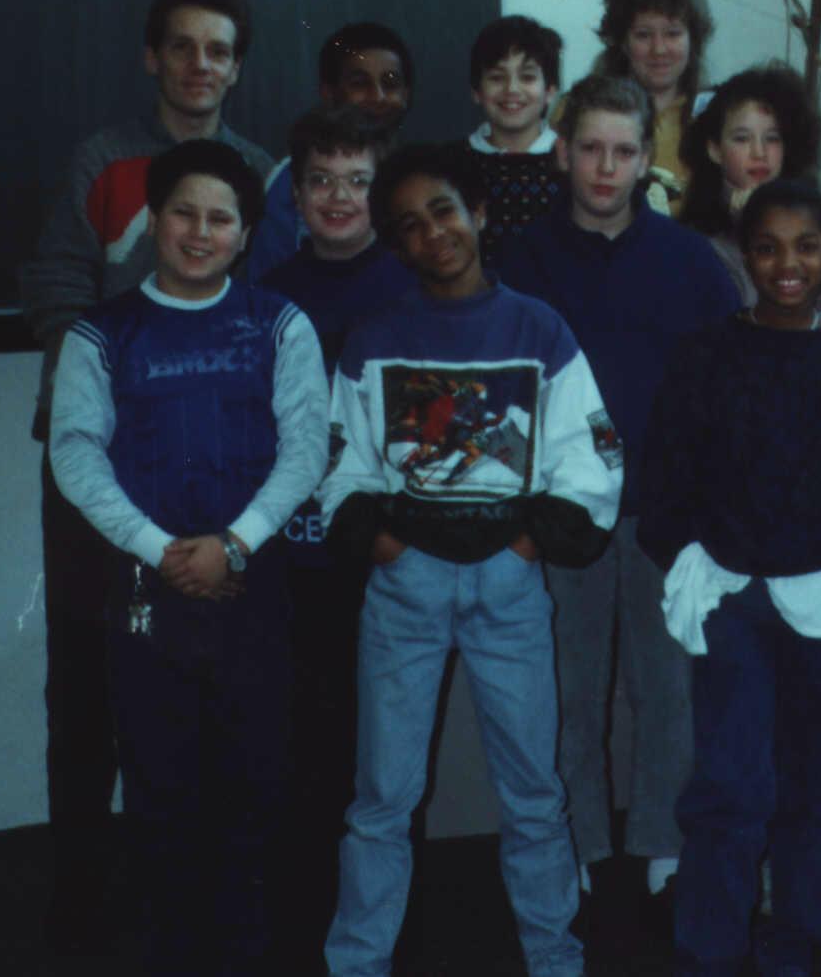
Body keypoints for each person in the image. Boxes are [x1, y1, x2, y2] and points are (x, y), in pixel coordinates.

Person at [19, 0, 276, 953]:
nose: (199, 64)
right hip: (99, 469)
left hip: (209, 475)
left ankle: (198, 891)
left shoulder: (257, 169)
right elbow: (53, 282)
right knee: (86, 679)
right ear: (151, 57)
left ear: (236, 66)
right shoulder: (101, 159)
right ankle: (79, 898)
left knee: (203, 677)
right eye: (182, 46)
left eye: (217, 49)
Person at [320, 143, 620, 977]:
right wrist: (376, 536)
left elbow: (589, 457)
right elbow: (340, 460)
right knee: (382, 797)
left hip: (509, 584)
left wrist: (530, 538)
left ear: (480, 212)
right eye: (409, 225)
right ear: (395, 243)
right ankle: (357, 960)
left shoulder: (538, 329)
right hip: (403, 584)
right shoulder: (375, 338)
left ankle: (555, 956)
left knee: (533, 791)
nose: (433, 234)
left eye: (445, 210)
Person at [48, 138, 329, 975]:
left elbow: (306, 446)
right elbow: (75, 453)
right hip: (148, 595)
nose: (199, 232)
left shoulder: (281, 323)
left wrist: (236, 542)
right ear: (154, 222)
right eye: (183, 213)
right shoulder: (100, 334)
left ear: (245, 233)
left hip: (255, 590)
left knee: (257, 793)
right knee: (161, 797)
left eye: (219, 218)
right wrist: (160, 547)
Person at [638, 179, 821, 977]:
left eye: (805, 246)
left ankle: (793, 938)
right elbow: (665, 479)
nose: (786, 263)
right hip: (734, 596)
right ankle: (711, 946)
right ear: (746, 255)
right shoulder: (706, 353)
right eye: (767, 247)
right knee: (730, 785)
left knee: (818, 786)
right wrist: (698, 561)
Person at [499, 74, 739, 916]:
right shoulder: (518, 260)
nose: (605, 167)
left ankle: (666, 843)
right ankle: (577, 840)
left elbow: (724, 385)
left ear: (648, 161)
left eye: (624, 151)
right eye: (590, 148)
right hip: (557, 515)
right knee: (565, 686)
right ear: (563, 152)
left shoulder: (689, 262)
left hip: (662, 512)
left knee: (664, 687)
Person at [256, 104, 416, 965]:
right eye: (320, 180)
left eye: (357, 180)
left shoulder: (406, 283)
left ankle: (387, 924)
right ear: (297, 192)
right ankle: (306, 924)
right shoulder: (269, 291)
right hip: (301, 559)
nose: (338, 196)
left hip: (387, 554)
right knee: (311, 745)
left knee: (386, 759)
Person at [680, 63, 821, 324]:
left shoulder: (815, 224)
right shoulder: (693, 241)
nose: (759, 152)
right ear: (714, 149)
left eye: (772, 138)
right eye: (742, 139)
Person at [244, 21, 415, 281]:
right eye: (360, 83)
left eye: (390, 84)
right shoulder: (287, 179)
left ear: (406, 94)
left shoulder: (422, 175)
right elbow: (268, 270)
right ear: (329, 93)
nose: (378, 96)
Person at [594, 0, 715, 217]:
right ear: (622, 41)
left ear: (693, 39)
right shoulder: (581, 111)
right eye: (643, 35)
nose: (659, 49)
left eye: (672, 34)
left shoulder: (717, 116)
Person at [461, 14, 568, 263]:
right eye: (497, 78)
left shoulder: (571, 162)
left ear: (550, 90)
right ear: (476, 91)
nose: (512, 89)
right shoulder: (451, 164)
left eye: (527, 77)